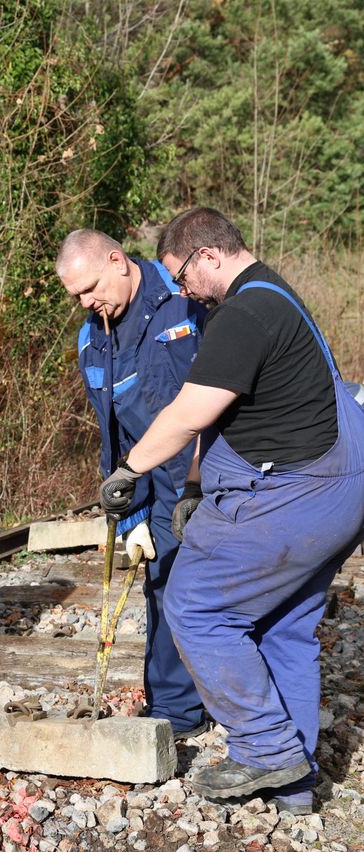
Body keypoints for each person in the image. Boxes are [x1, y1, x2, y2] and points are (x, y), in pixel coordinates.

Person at [99, 208, 364, 814]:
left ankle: (266, 749)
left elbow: (191, 413)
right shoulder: (274, 295)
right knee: (284, 629)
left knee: (194, 604)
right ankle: (293, 791)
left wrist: (130, 470)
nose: (180, 291)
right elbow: (226, 417)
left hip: (298, 495)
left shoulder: (244, 314)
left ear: (209, 256)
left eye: (183, 277)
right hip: (337, 490)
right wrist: (194, 488)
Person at [56, 229, 208, 739]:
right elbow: (112, 433)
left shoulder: (184, 292)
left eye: (90, 287)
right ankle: (175, 713)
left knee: (234, 591)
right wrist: (134, 517)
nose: (85, 301)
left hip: (218, 468)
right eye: (75, 295)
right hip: (157, 479)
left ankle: (251, 707)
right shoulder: (91, 340)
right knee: (162, 586)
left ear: (118, 262)